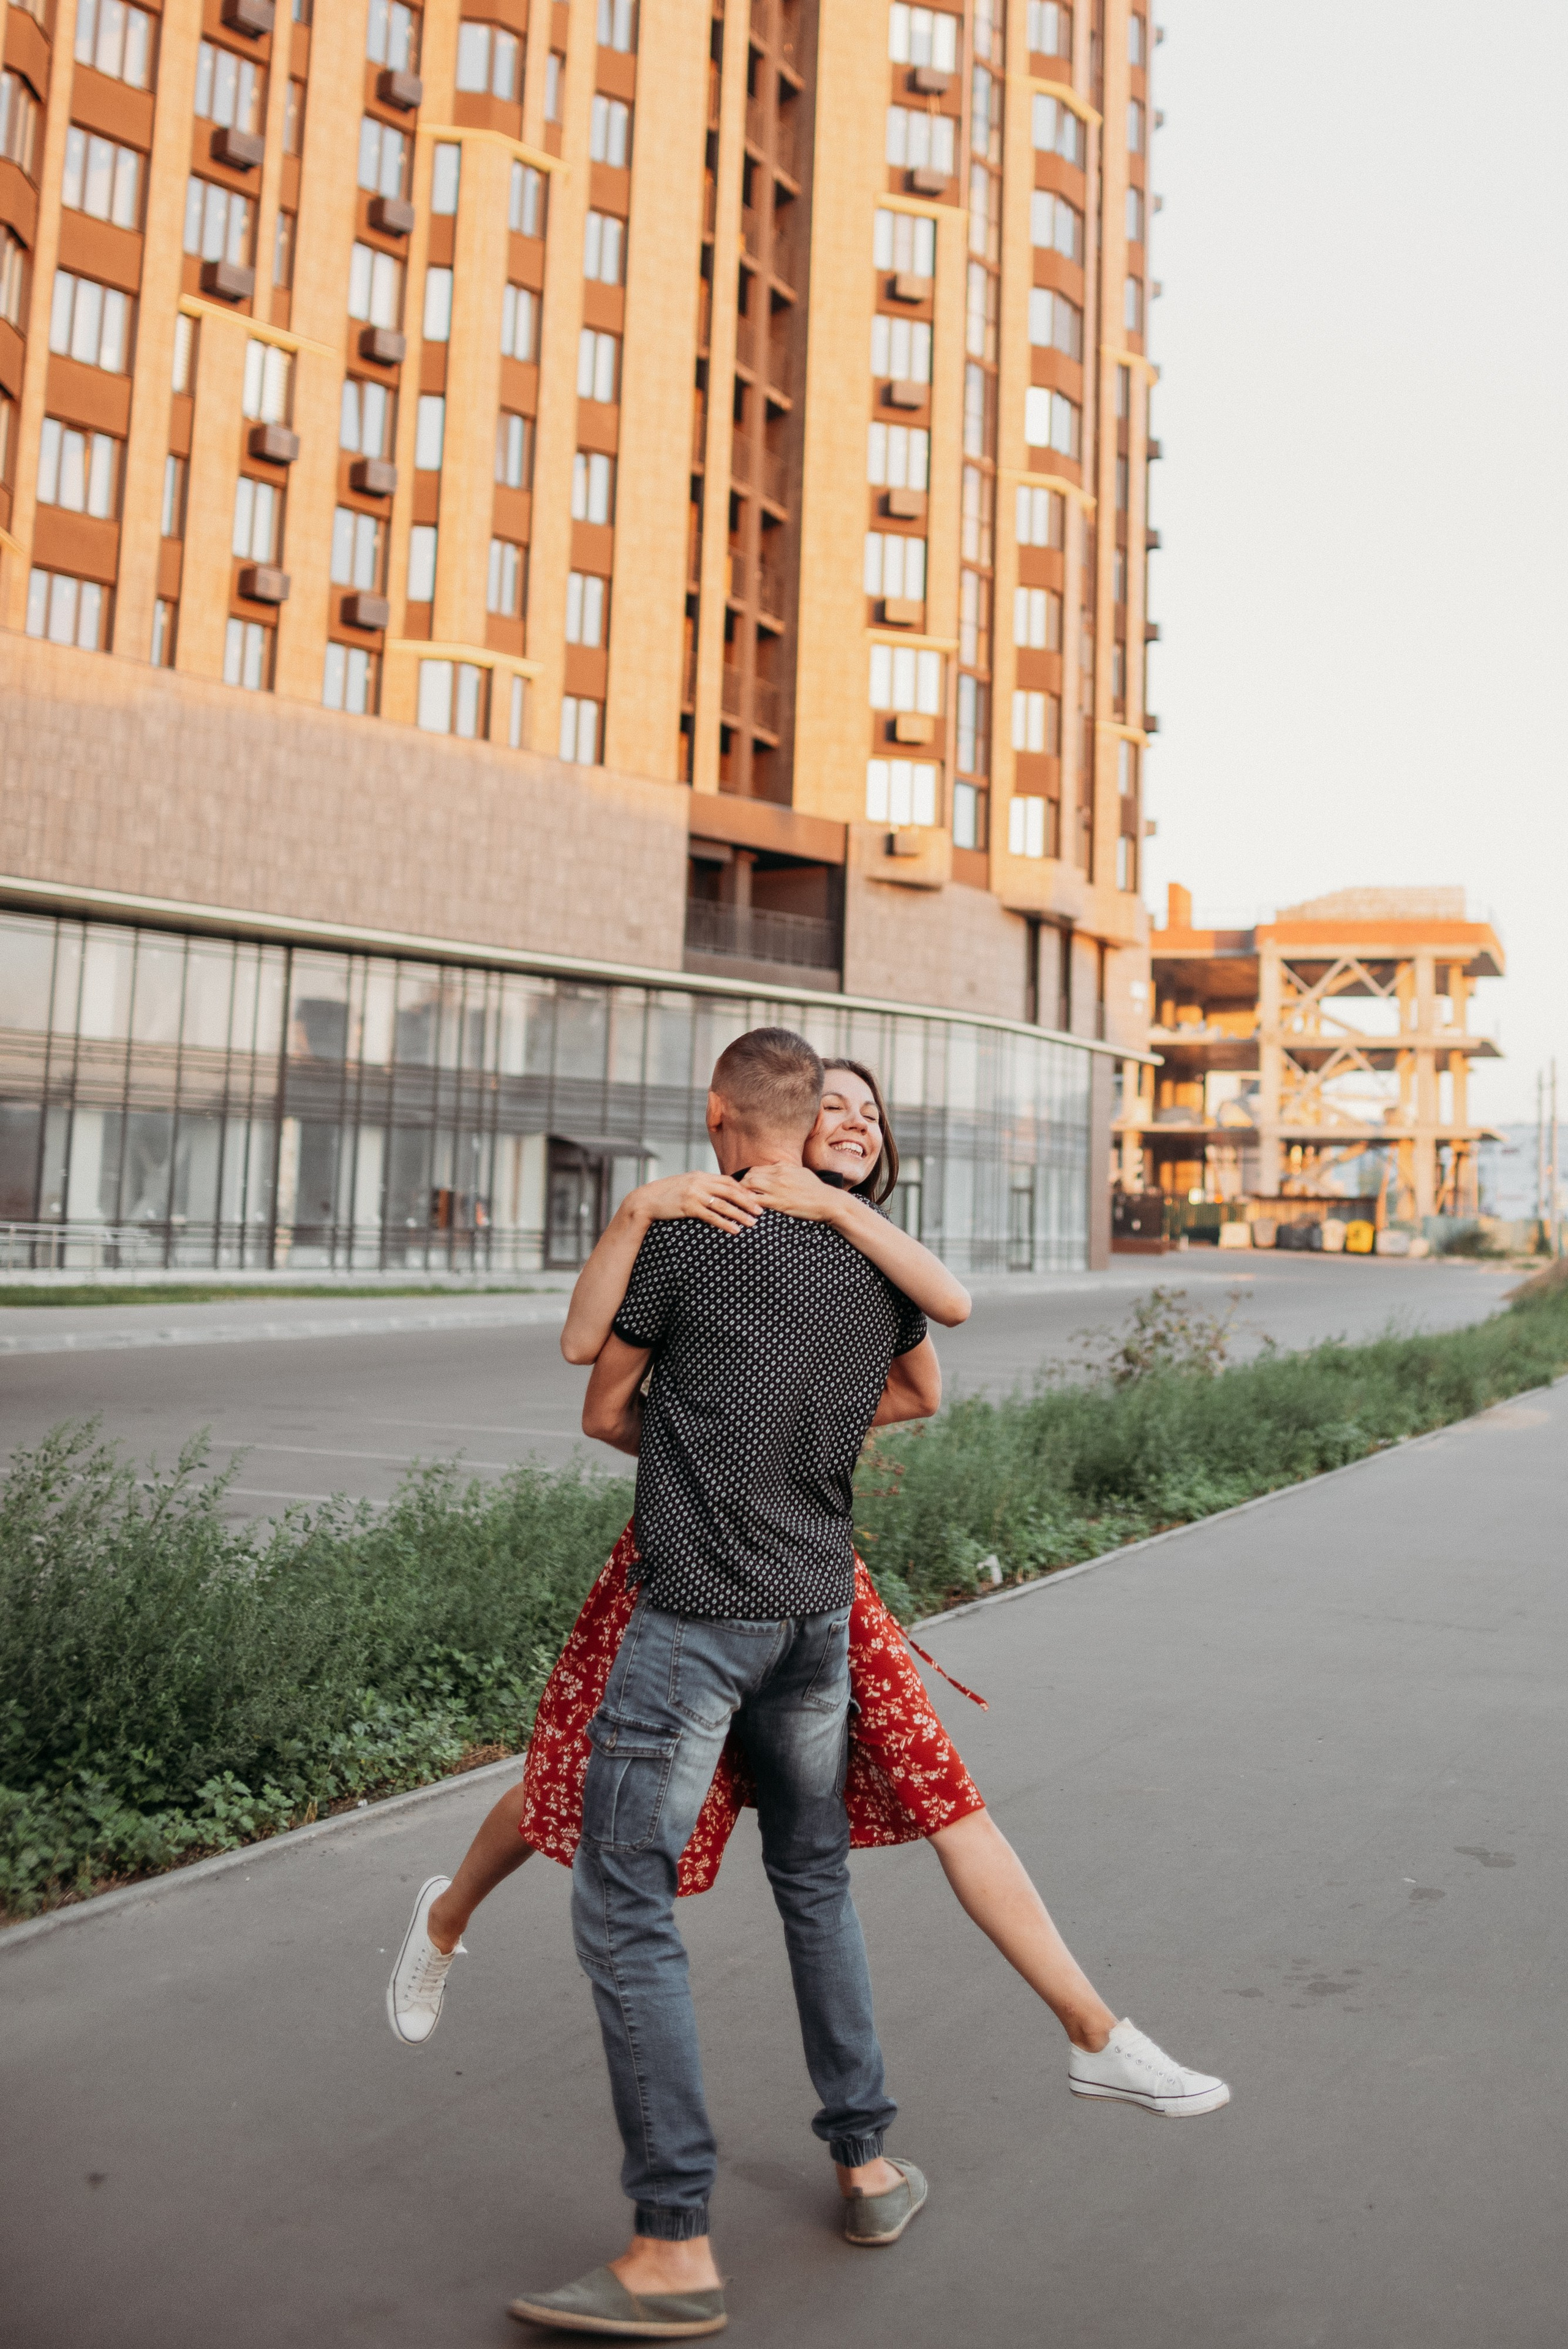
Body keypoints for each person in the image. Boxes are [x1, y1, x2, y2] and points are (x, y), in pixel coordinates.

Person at [388, 1047, 1229, 2326]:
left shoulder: (686, 1236)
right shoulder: (879, 1269)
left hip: (701, 1610)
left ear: (718, 1121)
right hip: (813, 1610)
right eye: (833, 1108)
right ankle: (868, 2152)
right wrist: (778, 1422)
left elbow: (588, 1375)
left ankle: (672, 2240)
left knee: (623, 1900)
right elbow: (927, 1354)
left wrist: (660, 1266)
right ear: (800, 1124)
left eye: (867, 1114)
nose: (853, 1126)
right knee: (808, 1871)